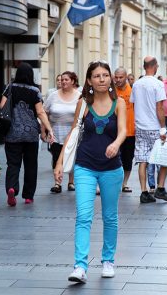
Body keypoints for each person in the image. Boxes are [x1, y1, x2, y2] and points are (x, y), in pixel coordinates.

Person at [54, 61, 126, 283]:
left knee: (110, 217)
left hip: (112, 169)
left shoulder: (119, 103)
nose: (102, 79)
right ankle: (80, 266)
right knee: (83, 217)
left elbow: (123, 130)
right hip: (85, 166)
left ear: (110, 79)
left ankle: (108, 261)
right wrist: (59, 162)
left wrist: (116, 144)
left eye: (106, 75)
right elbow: (73, 132)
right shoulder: (84, 103)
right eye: (97, 76)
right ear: (89, 80)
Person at [0, 62, 54, 206]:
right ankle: (28, 196)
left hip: (12, 133)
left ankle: (12, 188)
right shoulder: (34, 91)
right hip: (30, 135)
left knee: (13, 164)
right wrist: (49, 128)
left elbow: (1, 106)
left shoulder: (9, 88)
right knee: (31, 165)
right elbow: (40, 112)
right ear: (31, 75)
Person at [130, 56, 167, 204]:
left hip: (140, 127)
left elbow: (134, 104)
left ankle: (144, 192)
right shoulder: (158, 84)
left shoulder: (136, 84)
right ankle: (160, 188)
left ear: (144, 67)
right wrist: (163, 128)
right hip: (154, 127)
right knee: (165, 156)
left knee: (142, 160)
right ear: (155, 66)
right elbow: (160, 107)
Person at [44, 71, 81, 193]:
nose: (63, 82)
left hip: (73, 131)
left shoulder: (79, 96)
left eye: (66, 80)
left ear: (73, 81)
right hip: (56, 131)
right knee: (56, 156)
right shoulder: (53, 95)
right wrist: (44, 130)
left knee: (72, 156)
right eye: (62, 80)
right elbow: (44, 112)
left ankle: (71, 182)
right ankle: (57, 183)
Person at [114, 67, 136, 193]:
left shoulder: (133, 91)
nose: (118, 80)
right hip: (114, 131)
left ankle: (124, 183)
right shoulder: (111, 91)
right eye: (116, 77)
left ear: (126, 77)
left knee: (128, 159)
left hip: (130, 131)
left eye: (120, 77)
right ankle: (114, 183)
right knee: (114, 158)